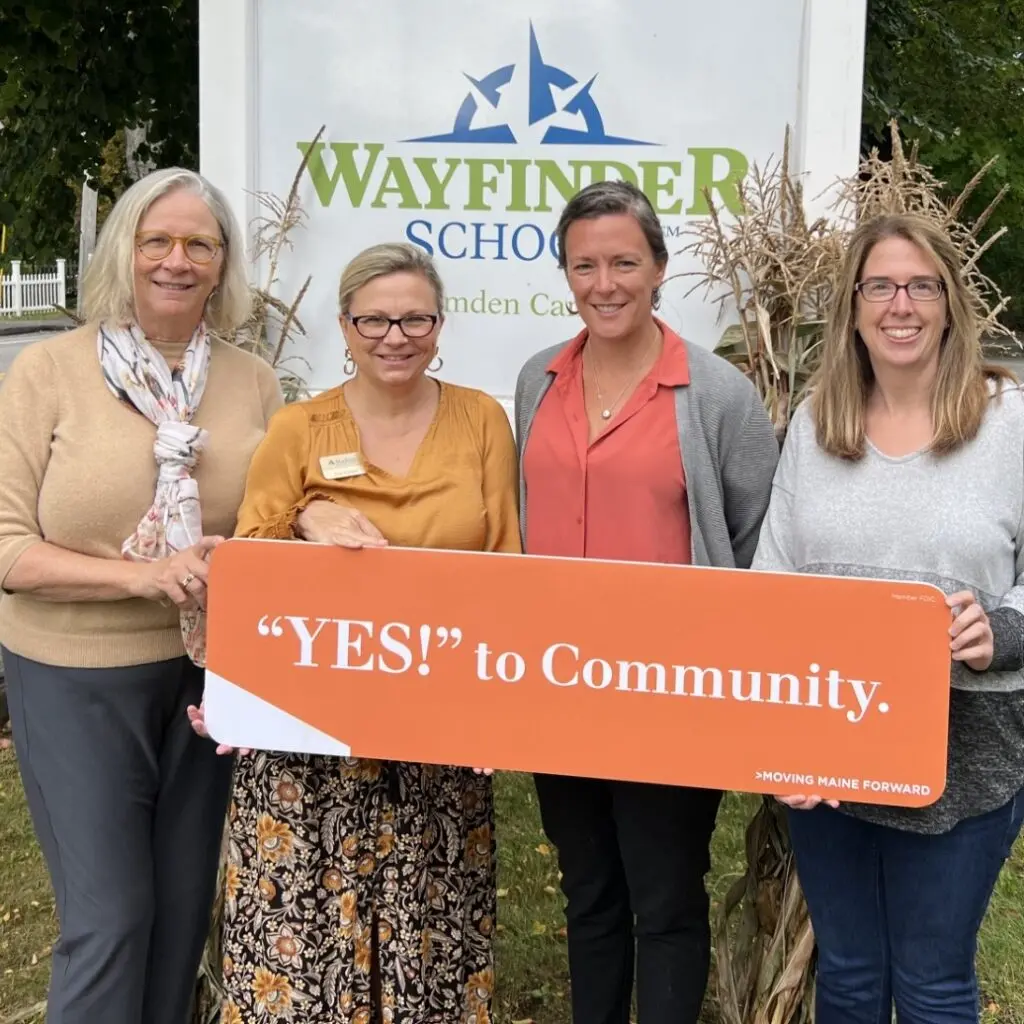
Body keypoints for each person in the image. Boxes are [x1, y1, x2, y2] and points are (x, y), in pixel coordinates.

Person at [196, 242, 520, 1024]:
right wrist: (307, 514)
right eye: (373, 318)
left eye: (415, 317)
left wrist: (501, 711)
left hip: (438, 724)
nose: (394, 335)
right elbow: (252, 563)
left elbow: (509, 566)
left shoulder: (481, 419)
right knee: (302, 941)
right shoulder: (299, 428)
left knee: (430, 933)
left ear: (439, 326)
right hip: (313, 737)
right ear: (344, 326)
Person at [0, 167, 283, 1024]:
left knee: (179, 915)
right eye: (156, 240)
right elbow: (8, 547)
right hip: (73, 672)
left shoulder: (251, 379)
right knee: (112, 917)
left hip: (208, 676)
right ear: (124, 251)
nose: (176, 260)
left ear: (222, 263)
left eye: (200, 243)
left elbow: (276, 513)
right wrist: (142, 576)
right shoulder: (48, 371)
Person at [514, 179, 779, 1024]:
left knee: (664, 900)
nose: (605, 283)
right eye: (584, 265)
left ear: (659, 267)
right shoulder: (537, 380)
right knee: (588, 892)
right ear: (565, 273)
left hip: (670, 693)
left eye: (624, 262)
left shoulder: (717, 395)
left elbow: (755, 540)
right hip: (555, 686)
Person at [753, 212, 1024, 1024]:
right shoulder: (815, 424)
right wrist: (778, 734)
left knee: (933, 982)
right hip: (829, 739)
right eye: (880, 286)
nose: (900, 304)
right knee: (848, 975)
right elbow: (774, 578)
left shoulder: (1011, 422)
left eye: (920, 286)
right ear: (854, 306)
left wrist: (996, 633)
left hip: (964, 746)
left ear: (948, 303)